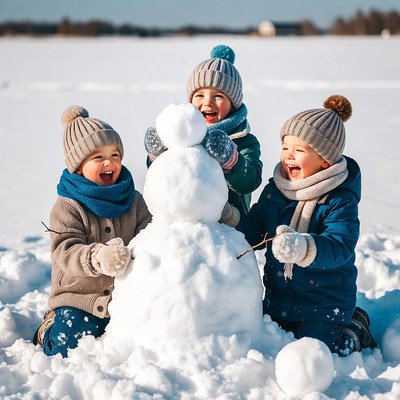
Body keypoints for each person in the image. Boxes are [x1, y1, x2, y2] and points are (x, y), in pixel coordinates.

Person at [237, 94, 376, 356]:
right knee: (273, 344)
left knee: (320, 353)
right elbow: (256, 226)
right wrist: (232, 220)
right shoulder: (276, 190)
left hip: (324, 305)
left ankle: (354, 328)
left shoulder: (338, 199)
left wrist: (304, 248)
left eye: (299, 150)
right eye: (285, 147)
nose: (288, 156)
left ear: (325, 160)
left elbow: (340, 246)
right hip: (279, 301)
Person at [33, 105, 152, 357]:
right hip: (80, 299)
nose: (109, 162)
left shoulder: (134, 200)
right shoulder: (67, 206)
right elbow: (65, 250)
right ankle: (47, 331)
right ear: (78, 166)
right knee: (67, 347)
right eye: (98, 157)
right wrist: (98, 257)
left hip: (125, 298)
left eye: (115, 154)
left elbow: (150, 232)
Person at [144, 45, 263, 223]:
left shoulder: (244, 140)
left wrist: (230, 158)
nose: (208, 102)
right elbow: (162, 176)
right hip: (182, 221)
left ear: (233, 103)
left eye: (218, 96)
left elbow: (250, 181)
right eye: (200, 95)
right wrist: (157, 155)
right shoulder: (184, 133)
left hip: (228, 227)